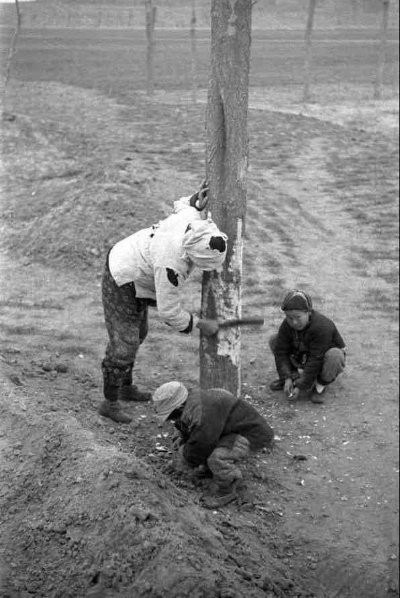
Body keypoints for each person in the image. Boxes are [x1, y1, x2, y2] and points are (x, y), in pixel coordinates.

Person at [99, 182, 228, 423]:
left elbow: (182, 206)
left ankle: (126, 387)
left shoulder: (194, 223)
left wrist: (194, 200)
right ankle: (110, 402)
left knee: (139, 333)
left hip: (140, 269)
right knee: (124, 343)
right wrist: (200, 324)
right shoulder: (171, 265)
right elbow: (169, 313)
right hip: (123, 275)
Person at [152, 381, 274, 509]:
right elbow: (190, 428)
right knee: (204, 445)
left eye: (170, 416)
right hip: (227, 429)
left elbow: (201, 446)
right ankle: (210, 471)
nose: (170, 420)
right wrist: (182, 436)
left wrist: (183, 459)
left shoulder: (203, 412)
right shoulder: (191, 402)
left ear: (179, 408)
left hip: (251, 433)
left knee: (217, 458)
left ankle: (227, 491)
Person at [269, 290, 347, 403]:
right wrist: (286, 377)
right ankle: (292, 377)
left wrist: (301, 386)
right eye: (289, 318)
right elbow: (281, 352)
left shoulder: (322, 326)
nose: (294, 322)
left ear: (308, 312)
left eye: (298, 317)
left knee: (335, 355)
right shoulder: (286, 325)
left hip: (322, 359)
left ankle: (319, 386)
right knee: (275, 341)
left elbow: (316, 359)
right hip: (305, 355)